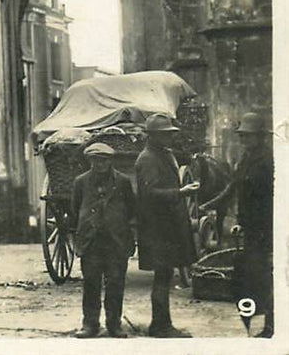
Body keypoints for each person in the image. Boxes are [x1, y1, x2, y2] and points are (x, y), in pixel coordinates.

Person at [200, 112, 274, 337]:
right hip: (250, 228)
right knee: (249, 278)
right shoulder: (245, 159)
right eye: (242, 136)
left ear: (261, 137)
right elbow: (232, 187)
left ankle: (271, 326)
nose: (244, 141)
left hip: (265, 227)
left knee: (265, 277)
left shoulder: (269, 161)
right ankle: (254, 326)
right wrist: (208, 205)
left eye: (248, 136)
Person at [134, 113, 199, 338]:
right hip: (157, 229)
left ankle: (162, 324)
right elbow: (149, 194)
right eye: (164, 135)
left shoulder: (162, 155)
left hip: (165, 227)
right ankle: (160, 326)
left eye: (169, 134)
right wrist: (181, 192)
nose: (169, 139)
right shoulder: (148, 159)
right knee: (162, 277)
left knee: (165, 275)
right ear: (152, 136)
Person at [70, 142, 135, 339]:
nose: (100, 164)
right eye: (96, 160)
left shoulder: (122, 181)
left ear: (110, 161)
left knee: (115, 282)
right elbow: (75, 209)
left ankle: (114, 324)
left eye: (104, 160)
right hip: (91, 242)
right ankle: (90, 324)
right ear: (89, 161)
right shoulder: (81, 182)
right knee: (91, 283)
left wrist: (116, 223)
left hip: (115, 241)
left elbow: (131, 208)